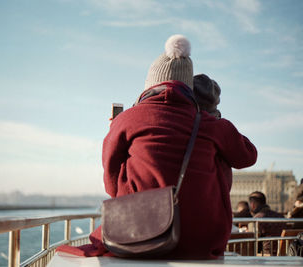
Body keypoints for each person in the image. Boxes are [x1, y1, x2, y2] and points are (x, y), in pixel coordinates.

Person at [57, 34, 257, 259]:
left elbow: (110, 183)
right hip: (202, 241)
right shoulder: (212, 125)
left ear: (150, 84)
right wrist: (214, 118)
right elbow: (248, 156)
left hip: (136, 235)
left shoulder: (128, 120)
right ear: (188, 87)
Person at [248, 191, 285, 255]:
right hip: (283, 254)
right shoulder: (281, 217)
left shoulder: (257, 220)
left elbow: (251, 243)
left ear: (253, 204)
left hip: (265, 256)